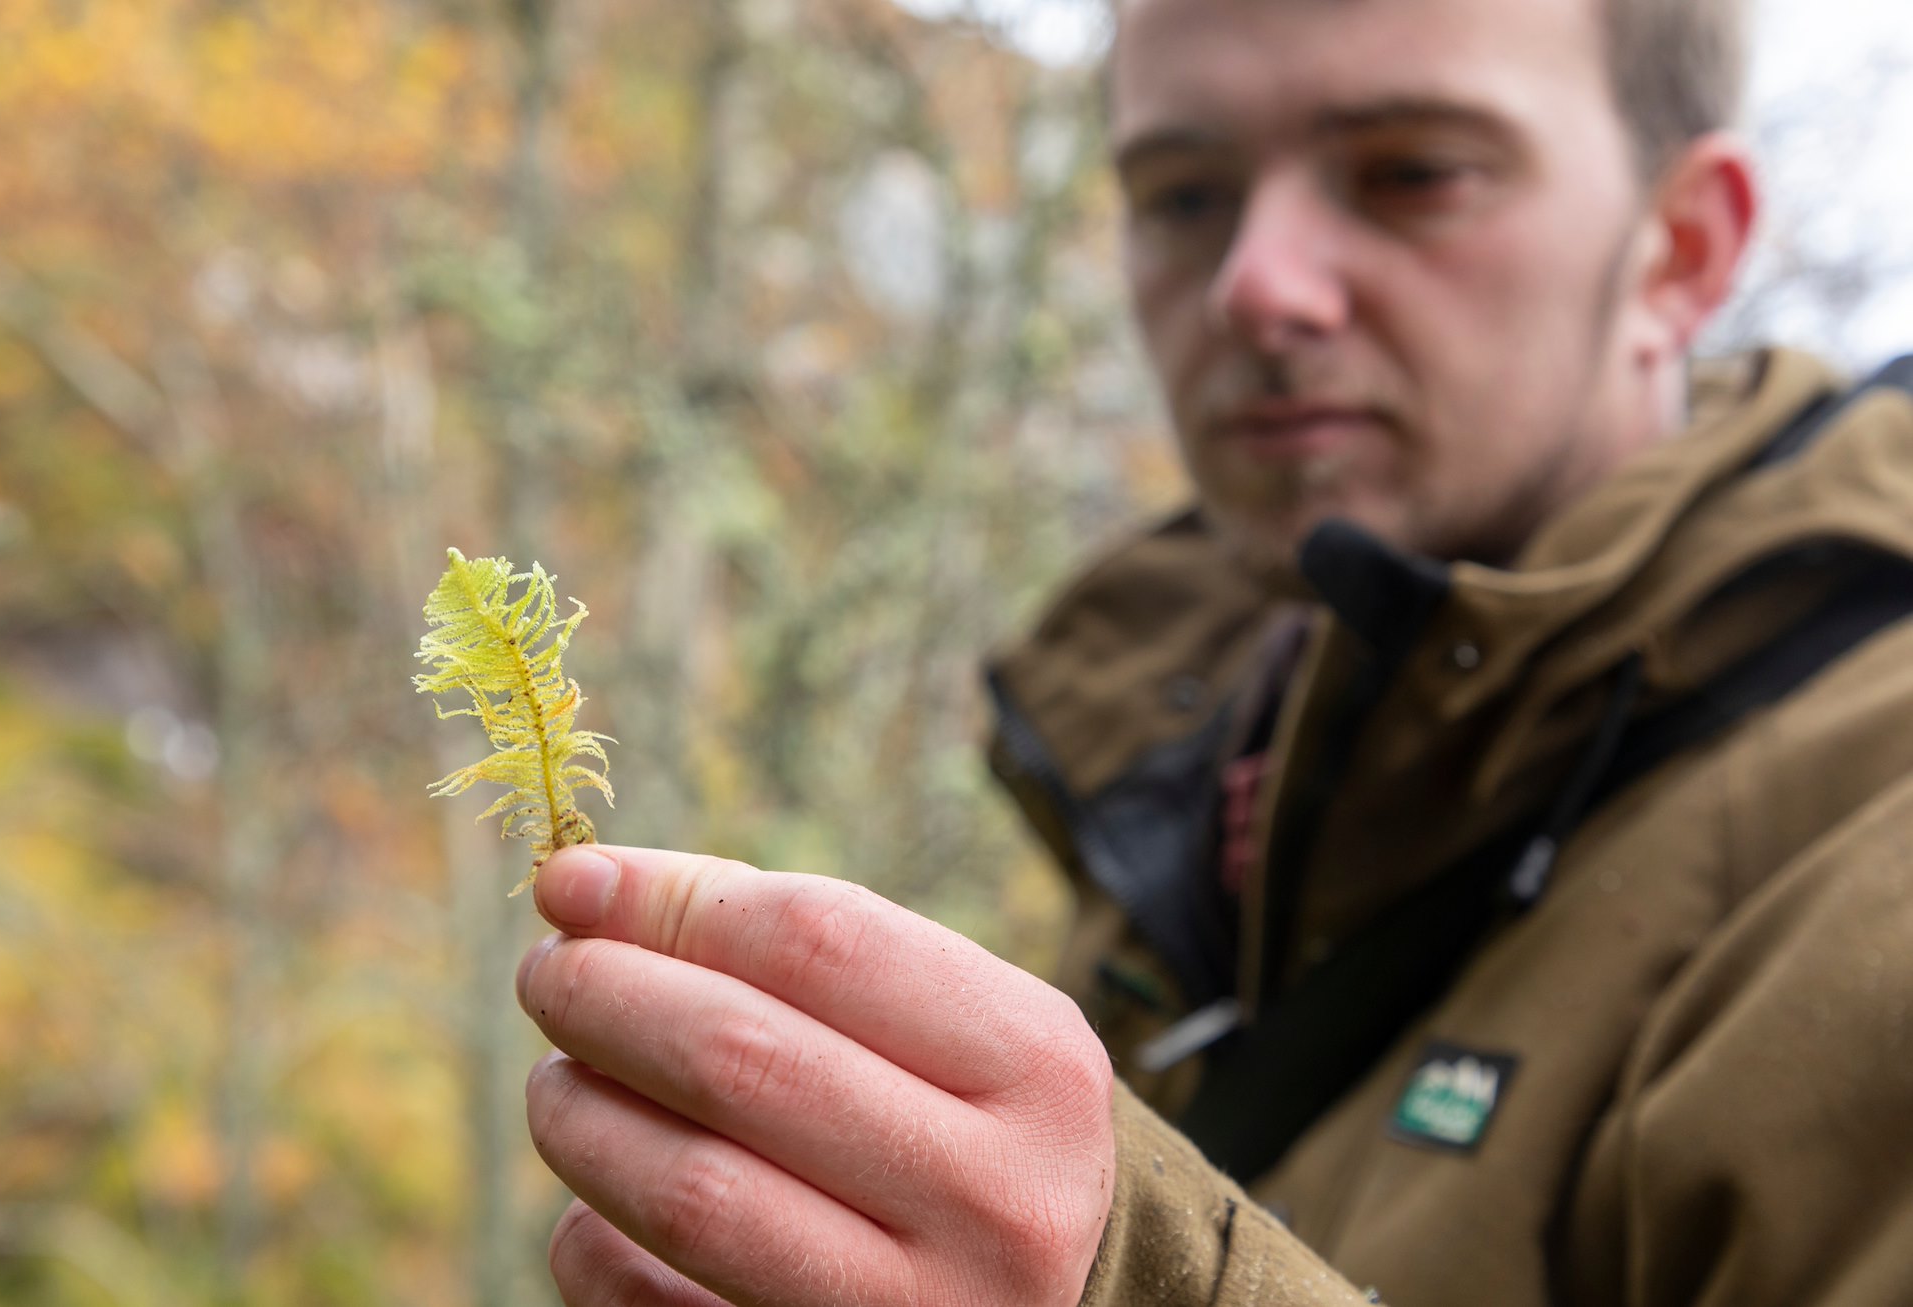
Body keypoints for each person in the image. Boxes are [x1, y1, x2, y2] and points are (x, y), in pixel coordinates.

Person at [512, 0, 1913, 1301]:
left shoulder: (1867, 850)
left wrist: (1134, 1275)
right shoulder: (1192, 755)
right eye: (1184, 195)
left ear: (1685, 246)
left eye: (1413, 172)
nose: (1257, 283)